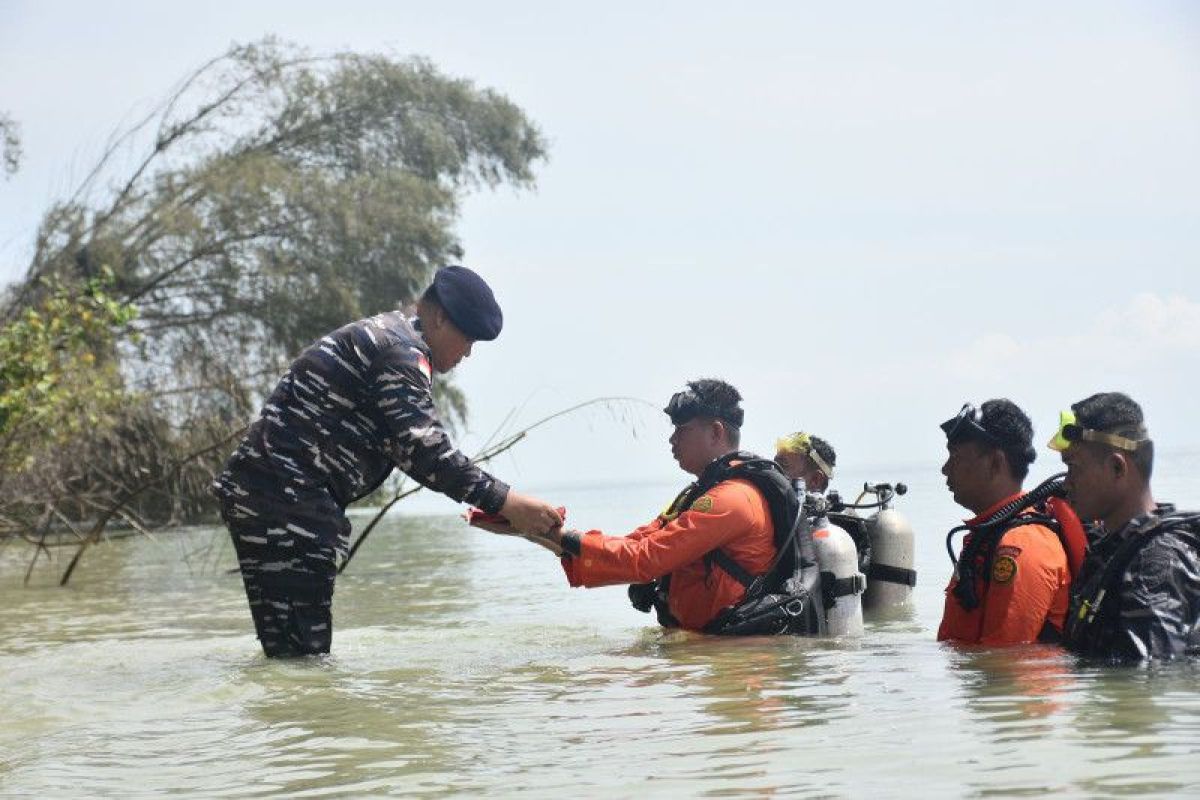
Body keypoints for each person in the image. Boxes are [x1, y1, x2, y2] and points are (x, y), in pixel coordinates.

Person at [212, 265, 562, 657]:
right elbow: (424, 451)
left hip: (271, 496)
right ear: (441, 317)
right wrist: (508, 501)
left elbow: (406, 449)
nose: (468, 352)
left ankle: (284, 717)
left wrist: (497, 507)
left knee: (287, 656)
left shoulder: (389, 335)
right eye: (467, 339)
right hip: (288, 505)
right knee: (302, 662)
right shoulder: (401, 351)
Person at [516, 379, 807, 633]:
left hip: (737, 664)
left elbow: (644, 560)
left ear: (716, 433)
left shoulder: (732, 500)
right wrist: (531, 529)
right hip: (706, 653)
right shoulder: (697, 495)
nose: (672, 439)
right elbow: (635, 544)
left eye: (682, 430)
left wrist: (553, 534)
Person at [1050, 392, 1200, 661]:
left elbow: (1149, 683)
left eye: (1074, 467)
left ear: (1117, 468)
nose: (1066, 483)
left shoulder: (1154, 564)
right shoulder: (1117, 550)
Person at [937, 399, 1073, 645]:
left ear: (995, 463)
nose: (945, 469)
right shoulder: (990, 533)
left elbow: (1004, 663)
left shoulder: (1021, 546)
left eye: (955, 456)